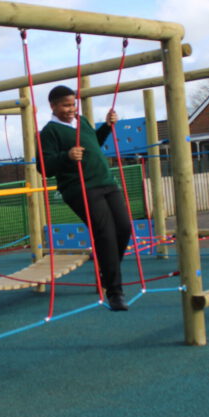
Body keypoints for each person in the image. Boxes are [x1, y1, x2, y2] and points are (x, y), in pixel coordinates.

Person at [39, 85, 131, 310]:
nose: (71, 109)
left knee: (124, 228)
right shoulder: (49, 132)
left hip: (106, 181)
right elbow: (45, 167)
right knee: (105, 233)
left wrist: (107, 127)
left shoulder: (82, 121)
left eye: (73, 104)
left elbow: (94, 143)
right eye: (66, 105)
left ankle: (107, 270)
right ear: (53, 106)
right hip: (80, 188)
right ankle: (114, 291)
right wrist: (67, 156)